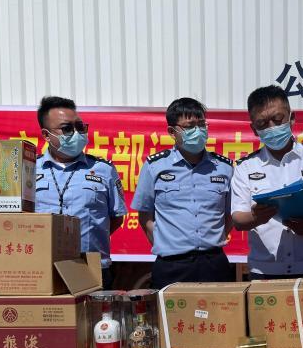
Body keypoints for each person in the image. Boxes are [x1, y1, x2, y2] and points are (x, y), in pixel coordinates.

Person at [230, 85, 303, 279]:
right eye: (262, 123)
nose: (271, 127)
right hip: (265, 272)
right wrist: (256, 217)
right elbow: (238, 219)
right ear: (253, 129)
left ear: (292, 118)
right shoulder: (245, 167)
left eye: (277, 119)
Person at [131, 97, 235, 289]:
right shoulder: (155, 166)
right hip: (171, 266)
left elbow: (230, 215)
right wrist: (167, 245)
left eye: (201, 124)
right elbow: (145, 215)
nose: (198, 130)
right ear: (172, 132)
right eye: (189, 126)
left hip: (214, 263)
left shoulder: (224, 167)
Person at [35, 96, 126, 289]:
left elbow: (116, 218)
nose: (76, 133)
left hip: (92, 268)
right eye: (67, 129)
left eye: (80, 127)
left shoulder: (103, 169)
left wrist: (88, 238)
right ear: (46, 135)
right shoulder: (30, 169)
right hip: (42, 269)